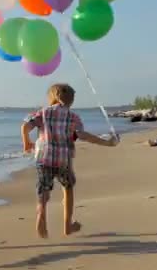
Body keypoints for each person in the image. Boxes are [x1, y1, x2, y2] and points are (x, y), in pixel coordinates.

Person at [21, 84, 118, 239]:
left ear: (53, 97)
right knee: (68, 188)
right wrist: (107, 142)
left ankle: (41, 213)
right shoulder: (73, 117)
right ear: (70, 101)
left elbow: (25, 126)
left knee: (43, 189)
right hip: (63, 160)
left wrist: (26, 142)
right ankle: (67, 225)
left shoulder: (43, 113)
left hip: (43, 158)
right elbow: (83, 135)